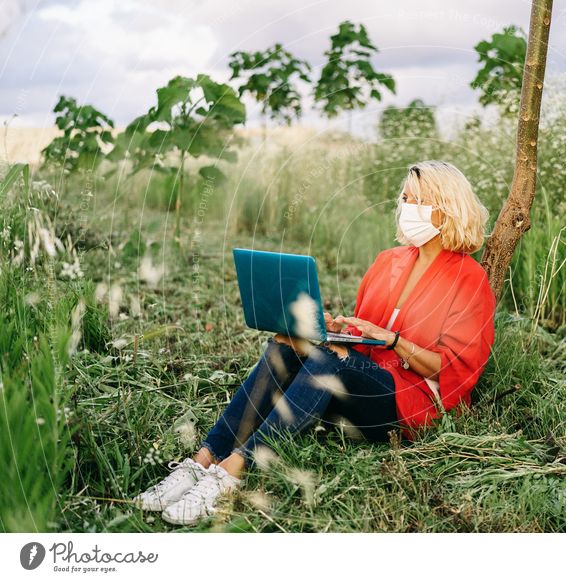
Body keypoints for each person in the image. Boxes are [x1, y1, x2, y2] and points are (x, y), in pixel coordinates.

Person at [132, 160, 497, 525]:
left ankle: (231, 472)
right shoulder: (389, 261)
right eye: (404, 198)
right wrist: (335, 330)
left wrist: (394, 340)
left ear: (447, 209)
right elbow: (363, 339)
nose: (406, 208)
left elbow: (455, 372)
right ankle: (203, 461)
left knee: (328, 362)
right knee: (286, 343)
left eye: (418, 200)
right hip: (359, 382)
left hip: (407, 404)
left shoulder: (470, 281)